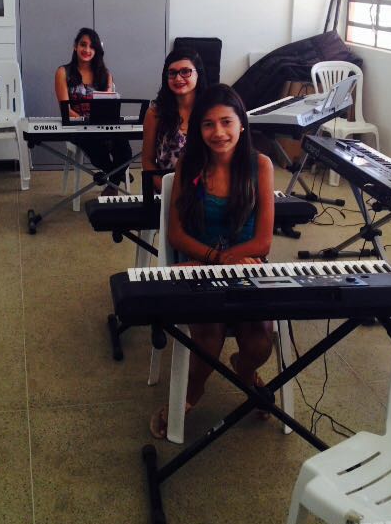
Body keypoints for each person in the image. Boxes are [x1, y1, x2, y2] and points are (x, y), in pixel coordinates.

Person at [150, 84, 275, 439]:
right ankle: (193, 392)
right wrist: (217, 260)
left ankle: (244, 371)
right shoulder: (189, 165)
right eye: (208, 124)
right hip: (199, 266)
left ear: (242, 124)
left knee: (260, 341)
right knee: (208, 336)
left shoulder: (260, 165)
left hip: (246, 267)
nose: (218, 132)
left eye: (226, 122)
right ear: (198, 129)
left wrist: (229, 261)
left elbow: (263, 241)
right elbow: (176, 235)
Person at [55, 27, 132, 195]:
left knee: (123, 147)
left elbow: (108, 106)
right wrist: (87, 122)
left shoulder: (105, 74)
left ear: (97, 51)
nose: (87, 50)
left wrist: (98, 123)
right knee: (96, 147)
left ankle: (112, 182)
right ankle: (117, 176)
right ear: (75, 46)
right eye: (83, 44)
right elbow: (65, 109)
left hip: (102, 124)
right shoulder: (63, 72)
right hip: (77, 126)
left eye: (92, 47)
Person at [141, 48, 207, 191]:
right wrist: (167, 190)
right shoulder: (155, 113)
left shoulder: (210, 110)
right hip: (166, 189)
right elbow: (147, 160)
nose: (178, 78)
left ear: (198, 74)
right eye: (172, 73)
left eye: (185, 71)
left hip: (207, 190)